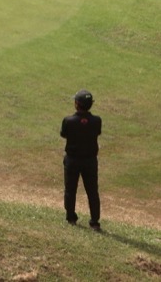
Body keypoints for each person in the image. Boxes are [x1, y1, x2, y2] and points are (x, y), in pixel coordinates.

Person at [60, 89, 102, 230]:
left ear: (77, 104)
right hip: (90, 161)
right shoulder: (97, 121)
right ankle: (95, 221)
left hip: (73, 160)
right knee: (92, 191)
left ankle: (71, 217)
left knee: (70, 189)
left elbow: (64, 134)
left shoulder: (69, 121)